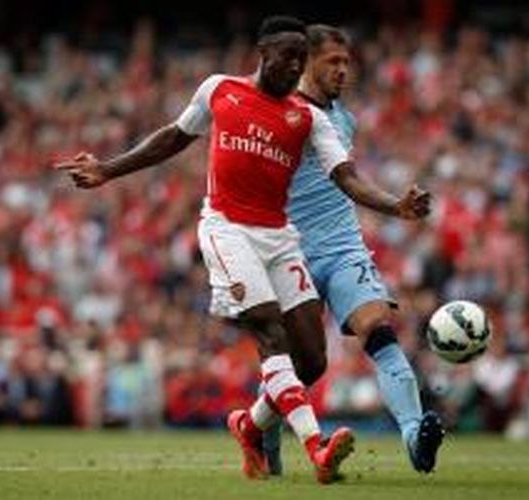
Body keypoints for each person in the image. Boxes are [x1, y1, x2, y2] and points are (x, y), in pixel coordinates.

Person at [56, 15, 368, 484]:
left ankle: (250, 425)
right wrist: (107, 170)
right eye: (288, 57)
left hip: (278, 235)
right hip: (227, 229)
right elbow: (173, 138)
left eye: (301, 60)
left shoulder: (307, 117)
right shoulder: (220, 90)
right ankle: (316, 447)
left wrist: (397, 206)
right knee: (269, 331)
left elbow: (347, 177)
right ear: (263, 53)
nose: (294, 67)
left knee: (313, 361)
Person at [260, 24, 443, 476]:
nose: (343, 71)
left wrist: (396, 208)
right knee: (304, 367)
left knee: (377, 327)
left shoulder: (344, 118)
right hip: (291, 252)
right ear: (306, 63)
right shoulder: (281, 112)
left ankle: (414, 434)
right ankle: (262, 434)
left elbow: (346, 180)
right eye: (333, 62)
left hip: (343, 247)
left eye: (347, 62)